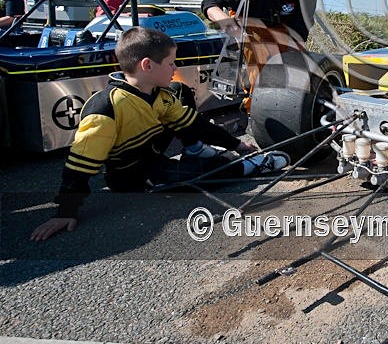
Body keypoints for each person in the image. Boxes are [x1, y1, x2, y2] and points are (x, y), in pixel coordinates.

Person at [30, 27, 289, 241]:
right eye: (170, 63)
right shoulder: (106, 108)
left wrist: (236, 143)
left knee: (180, 90)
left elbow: (193, 123)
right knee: (196, 177)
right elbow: (79, 165)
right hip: (132, 173)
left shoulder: (159, 93)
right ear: (147, 65)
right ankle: (249, 167)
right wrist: (66, 210)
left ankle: (196, 150)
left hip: (152, 149)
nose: (174, 66)